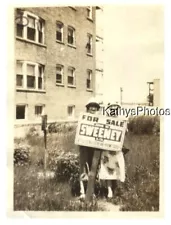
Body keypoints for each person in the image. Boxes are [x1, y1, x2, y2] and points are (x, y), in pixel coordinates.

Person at [79, 97, 101, 200]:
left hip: (95, 149)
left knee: (94, 169)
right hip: (84, 147)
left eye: (95, 107)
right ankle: (82, 191)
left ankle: (92, 191)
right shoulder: (83, 118)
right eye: (91, 107)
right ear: (88, 108)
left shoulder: (101, 120)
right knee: (83, 168)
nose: (93, 109)